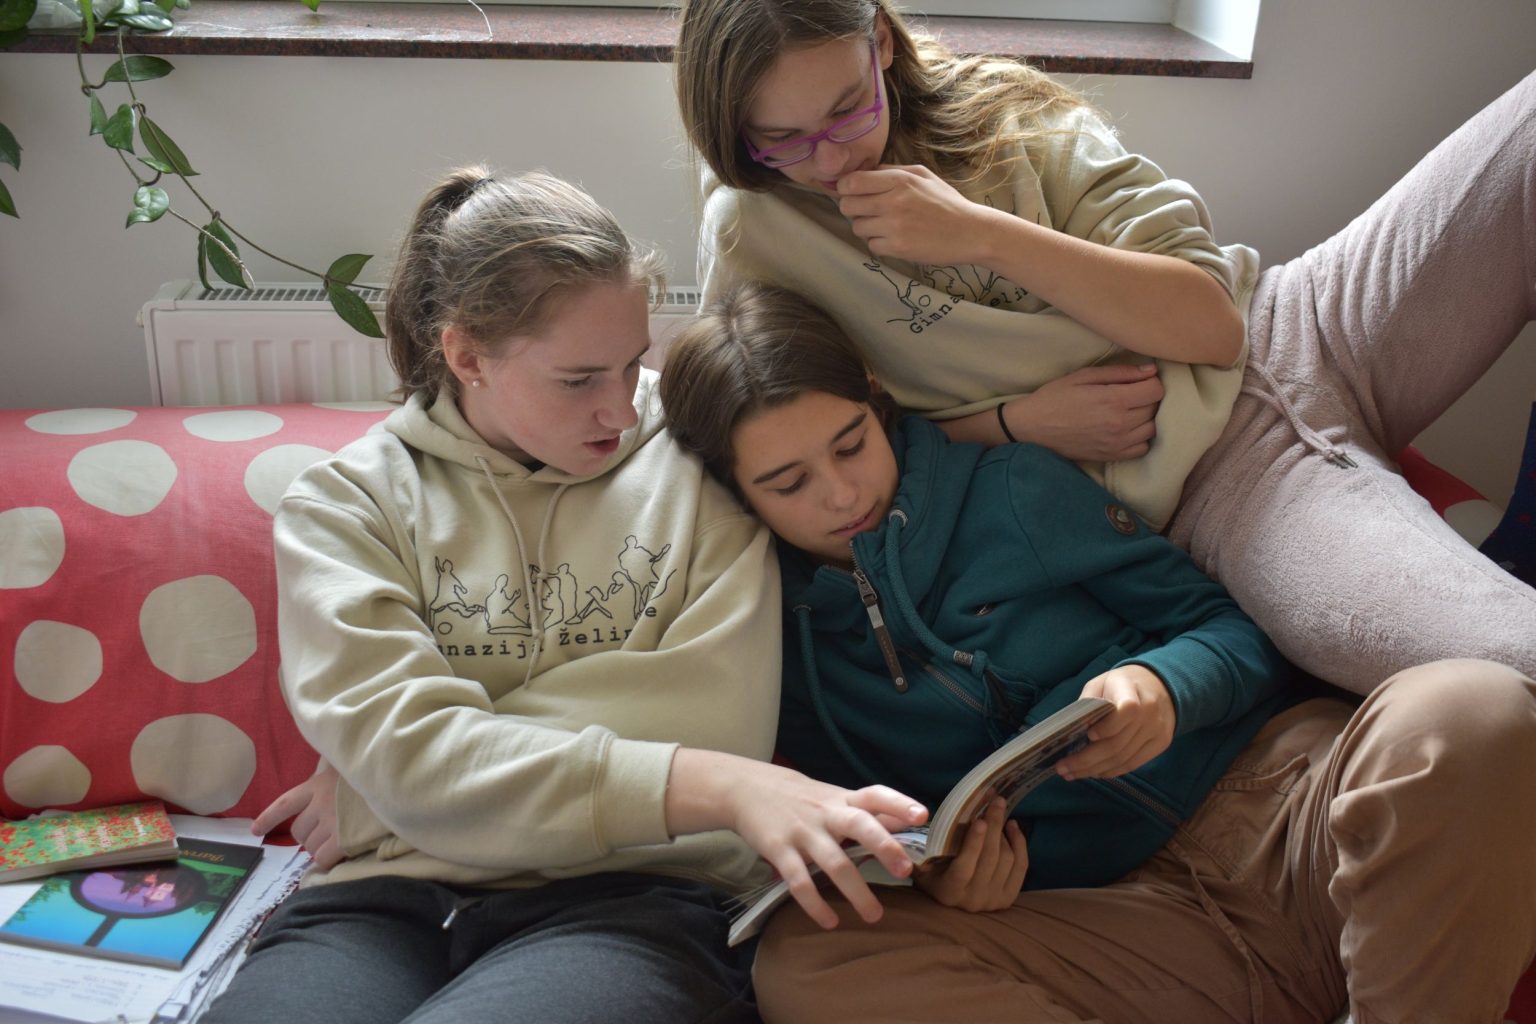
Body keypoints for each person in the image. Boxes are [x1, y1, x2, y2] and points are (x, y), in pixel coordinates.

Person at [657, 279, 1536, 1024]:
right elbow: (872, 837)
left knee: (1473, 709)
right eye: (788, 483)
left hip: (1285, 815)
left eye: (852, 443)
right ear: (735, 494)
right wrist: (946, 885)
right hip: (1125, 925)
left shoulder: (1013, 490)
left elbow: (1239, 631)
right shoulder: (766, 639)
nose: (840, 492)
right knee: (808, 962)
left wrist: (1165, 686)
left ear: (876, 400)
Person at [200, 169, 929, 1024]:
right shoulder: (343, 506)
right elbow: (411, 761)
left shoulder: (699, 452)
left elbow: (710, 726)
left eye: (632, 364)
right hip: (378, 898)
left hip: (636, 897)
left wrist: (406, 783)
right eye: (579, 380)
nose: (621, 410)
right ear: (467, 357)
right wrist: (398, 775)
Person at [671, 0, 1536, 693]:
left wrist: (981, 234)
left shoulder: (998, 108)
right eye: (781, 140)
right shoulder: (754, 231)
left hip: (1302, 315)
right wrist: (1009, 427)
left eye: (847, 109)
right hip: (1217, 486)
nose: (829, 159)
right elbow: (781, 442)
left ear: (882, 45)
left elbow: (1213, 324)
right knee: (1509, 665)